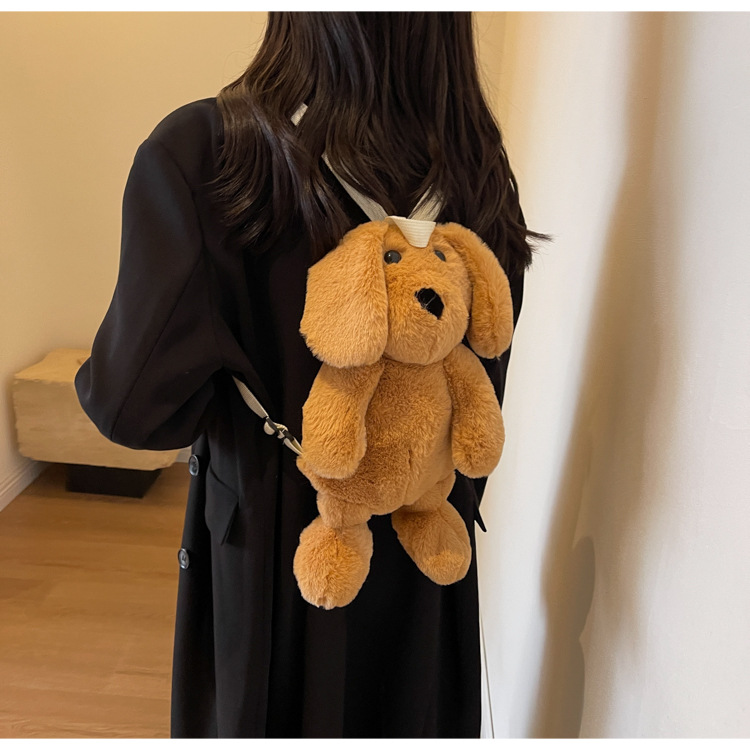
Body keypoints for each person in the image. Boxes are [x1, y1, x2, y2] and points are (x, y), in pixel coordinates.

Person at [75, 11, 540, 739]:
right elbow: (485, 380)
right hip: (426, 563)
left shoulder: (206, 155)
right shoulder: (479, 168)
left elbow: (131, 409)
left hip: (277, 578)